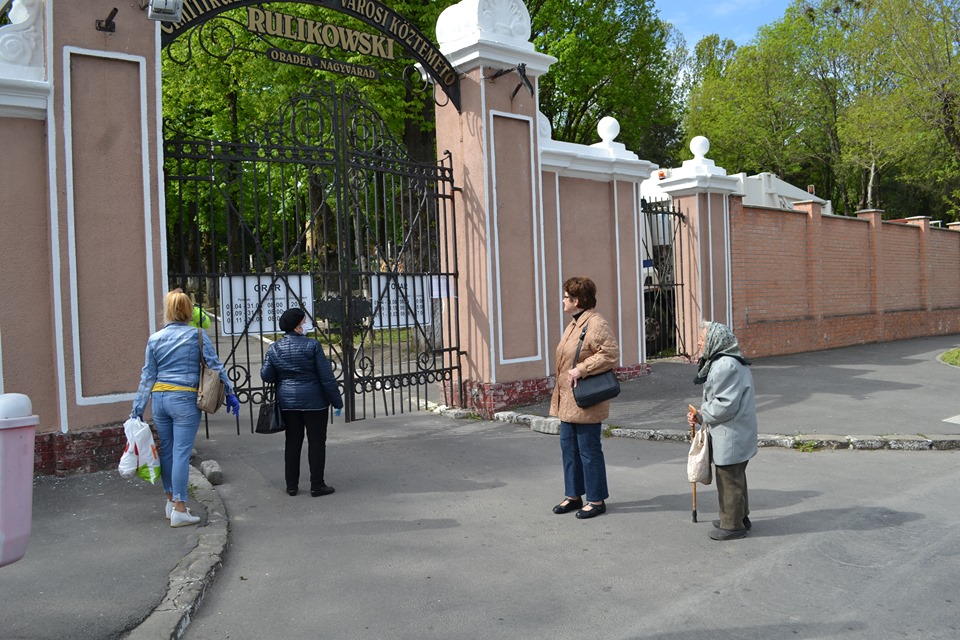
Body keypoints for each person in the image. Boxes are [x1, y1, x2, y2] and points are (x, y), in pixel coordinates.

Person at [132, 290, 240, 528]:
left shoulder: (155, 338)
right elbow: (215, 367)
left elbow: (147, 374)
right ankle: (180, 508)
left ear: (168, 311)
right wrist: (230, 393)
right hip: (184, 398)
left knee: (168, 451)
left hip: (159, 399)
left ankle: (171, 502)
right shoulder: (197, 335)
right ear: (189, 310)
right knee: (181, 453)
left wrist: (138, 408)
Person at [549, 276, 620, 519]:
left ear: (577, 300)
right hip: (568, 399)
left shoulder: (596, 323)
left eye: (566, 297)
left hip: (586, 398)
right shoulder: (574, 323)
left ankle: (596, 499)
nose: (563, 300)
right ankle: (573, 495)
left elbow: (610, 354)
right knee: (568, 448)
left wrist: (583, 369)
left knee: (589, 450)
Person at [261, 308, 344, 497]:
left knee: (292, 442)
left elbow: (266, 375)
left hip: (288, 402)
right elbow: (326, 377)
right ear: (298, 326)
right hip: (315, 402)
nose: (306, 325)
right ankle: (317, 485)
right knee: (316, 442)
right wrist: (337, 401)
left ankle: (291, 486)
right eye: (304, 321)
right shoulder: (312, 346)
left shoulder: (274, 348)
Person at [687, 321, 758, 541]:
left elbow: (725, 405)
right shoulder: (729, 360)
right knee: (736, 477)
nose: (699, 341)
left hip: (731, 433)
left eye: (702, 337)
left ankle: (732, 525)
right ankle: (740, 518)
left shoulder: (725, 364)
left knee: (728, 480)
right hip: (736, 432)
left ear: (714, 340)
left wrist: (701, 413)